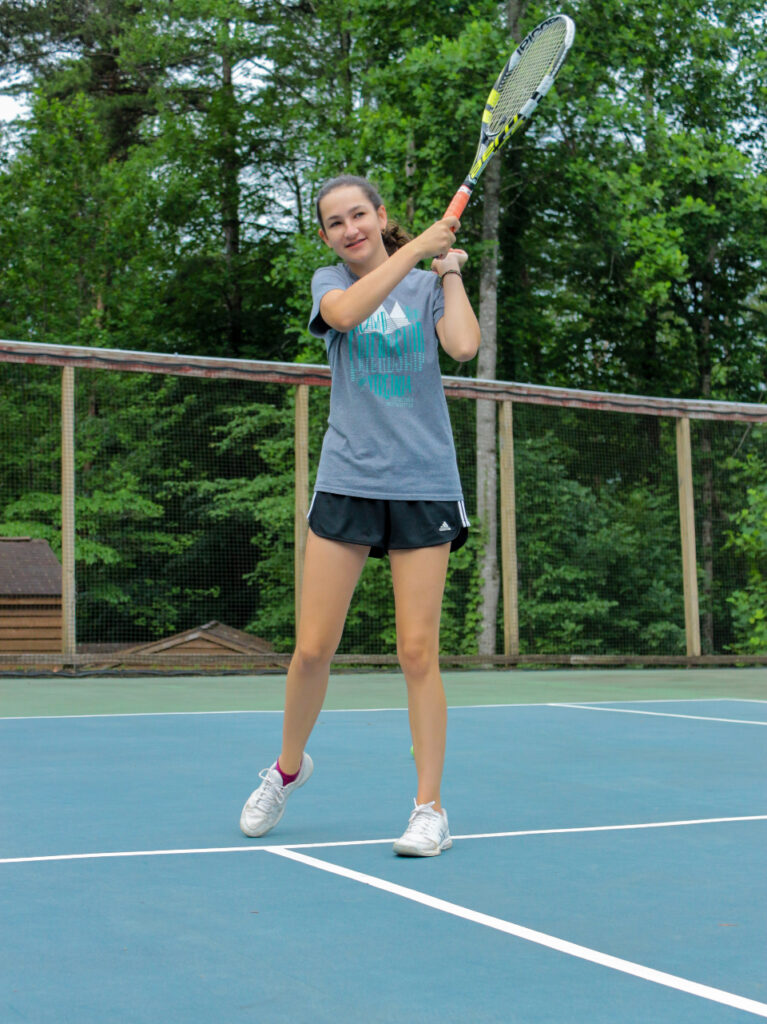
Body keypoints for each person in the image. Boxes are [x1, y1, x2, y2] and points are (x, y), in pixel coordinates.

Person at [240, 174, 480, 856]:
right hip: (348, 481)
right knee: (313, 646)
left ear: (380, 216)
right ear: (325, 237)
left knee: (416, 651)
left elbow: (462, 346)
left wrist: (449, 269)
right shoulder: (329, 283)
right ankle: (286, 771)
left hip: (423, 485)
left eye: (359, 215)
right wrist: (413, 253)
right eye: (335, 222)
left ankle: (428, 808)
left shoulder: (426, 282)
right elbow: (345, 317)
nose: (349, 229)